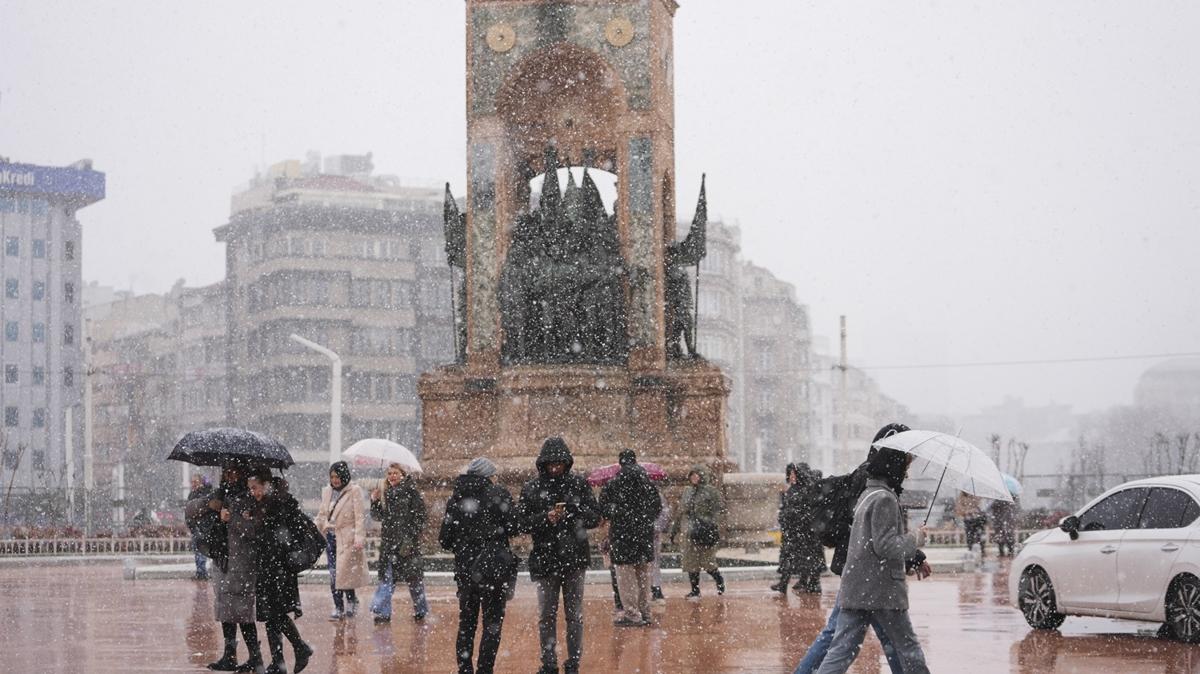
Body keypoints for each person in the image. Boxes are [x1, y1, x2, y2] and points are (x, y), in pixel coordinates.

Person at [793, 423, 929, 674]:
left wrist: (911, 554)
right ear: (895, 458)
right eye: (908, 459)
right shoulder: (881, 494)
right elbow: (884, 541)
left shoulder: (871, 487)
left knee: (843, 646)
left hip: (858, 576)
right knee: (902, 645)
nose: (910, 467)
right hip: (874, 582)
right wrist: (916, 540)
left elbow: (875, 534)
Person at [517, 437, 602, 674]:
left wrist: (572, 512)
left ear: (566, 463)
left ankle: (573, 662)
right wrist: (545, 518)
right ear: (543, 464)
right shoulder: (532, 488)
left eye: (559, 464)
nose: (555, 468)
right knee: (547, 615)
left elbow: (595, 517)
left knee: (574, 615)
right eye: (551, 464)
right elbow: (520, 523)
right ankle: (549, 663)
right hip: (546, 559)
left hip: (574, 558)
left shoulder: (578, 485)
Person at [439, 457, 519, 674]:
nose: (495, 479)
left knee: (467, 624)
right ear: (488, 476)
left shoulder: (456, 497)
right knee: (492, 624)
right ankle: (485, 670)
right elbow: (513, 526)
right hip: (493, 570)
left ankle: (465, 669)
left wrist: (464, 544)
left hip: (466, 571)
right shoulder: (498, 494)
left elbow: (444, 539)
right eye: (493, 475)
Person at [187, 463, 263, 672]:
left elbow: (255, 530)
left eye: (234, 472)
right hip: (222, 560)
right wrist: (215, 511)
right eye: (227, 472)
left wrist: (234, 519)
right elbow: (193, 512)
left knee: (243, 613)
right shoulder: (219, 496)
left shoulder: (250, 497)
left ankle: (255, 659)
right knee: (225, 611)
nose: (230, 476)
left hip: (242, 563)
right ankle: (229, 655)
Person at [246, 469, 314, 674]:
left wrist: (257, 517)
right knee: (271, 614)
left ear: (266, 485)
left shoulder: (278, 503)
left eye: (255, 488)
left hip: (279, 567)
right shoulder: (265, 504)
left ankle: (298, 648)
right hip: (268, 566)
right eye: (250, 489)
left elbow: (277, 536)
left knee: (275, 613)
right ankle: (280, 661)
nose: (253, 492)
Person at [599, 449, 662, 626]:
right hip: (644, 536)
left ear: (621, 463)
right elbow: (657, 507)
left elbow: (603, 509)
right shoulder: (648, 483)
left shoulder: (613, 483)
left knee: (625, 577)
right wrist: (643, 518)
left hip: (622, 536)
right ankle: (645, 612)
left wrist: (619, 514)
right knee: (643, 576)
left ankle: (632, 614)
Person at [369, 463, 430, 623]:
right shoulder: (387, 493)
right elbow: (378, 516)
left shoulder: (411, 492)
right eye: (389, 473)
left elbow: (420, 517)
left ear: (402, 474)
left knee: (414, 580)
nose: (392, 476)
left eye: (395, 473)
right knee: (387, 579)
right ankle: (383, 612)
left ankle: (421, 609)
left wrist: (410, 538)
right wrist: (374, 500)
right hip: (389, 545)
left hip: (407, 545)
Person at [315, 461, 367, 620]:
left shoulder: (354, 491)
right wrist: (316, 528)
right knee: (333, 573)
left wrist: (358, 537)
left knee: (345, 572)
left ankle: (351, 601)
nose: (335, 480)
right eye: (332, 477)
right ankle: (338, 606)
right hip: (330, 536)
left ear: (344, 476)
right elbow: (322, 514)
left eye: (337, 476)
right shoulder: (326, 491)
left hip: (347, 537)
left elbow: (359, 516)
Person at [670, 464, 725, 599]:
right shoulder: (687, 491)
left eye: (697, 475)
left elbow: (719, 511)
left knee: (708, 562)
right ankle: (695, 590)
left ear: (702, 476)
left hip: (705, 531)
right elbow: (680, 512)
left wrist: (710, 524)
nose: (694, 478)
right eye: (692, 475)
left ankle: (719, 580)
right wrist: (674, 530)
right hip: (689, 531)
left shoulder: (711, 492)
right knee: (691, 562)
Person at [774, 463, 825, 594]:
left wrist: (789, 516)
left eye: (793, 473)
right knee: (800, 557)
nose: (791, 476)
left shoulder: (805, 490)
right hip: (798, 531)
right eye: (790, 474)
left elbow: (802, 511)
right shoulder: (797, 489)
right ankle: (797, 582)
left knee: (805, 557)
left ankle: (811, 583)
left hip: (804, 532)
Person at [186, 473, 215, 581]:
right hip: (195, 526)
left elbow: (206, 510)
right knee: (197, 550)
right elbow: (188, 511)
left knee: (201, 550)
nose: (193, 484)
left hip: (203, 526)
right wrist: (191, 524)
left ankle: (202, 573)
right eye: (192, 482)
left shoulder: (205, 493)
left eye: (195, 482)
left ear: (201, 482)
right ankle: (200, 572)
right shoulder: (192, 494)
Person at [650, 485, 671, 602]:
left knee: (654, 562)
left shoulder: (657, 495)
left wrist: (655, 527)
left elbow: (664, 513)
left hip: (652, 535)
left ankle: (656, 589)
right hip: (640, 534)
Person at [956, 490, 988, 557]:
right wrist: (968, 511)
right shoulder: (961, 498)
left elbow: (980, 507)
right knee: (970, 536)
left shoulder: (976, 496)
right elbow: (959, 510)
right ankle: (971, 550)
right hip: (968, 520)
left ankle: (982, 549)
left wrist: (975, 505)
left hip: (977, 520)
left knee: (980, 535)